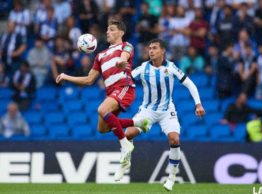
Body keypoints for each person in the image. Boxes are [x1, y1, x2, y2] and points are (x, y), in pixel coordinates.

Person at [113, 39, 206, 191]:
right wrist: (119, 70)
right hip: (147, 112)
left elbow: (189, 83)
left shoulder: (171, 67)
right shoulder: (143, 68)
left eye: (155, 48)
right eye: (149, 48)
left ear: (163, 51)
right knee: (128, 134)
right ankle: (125, 163)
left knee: (174, 138)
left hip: (166, 112)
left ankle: (171, 177)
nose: (151, 51)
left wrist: (198, 103)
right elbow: (126, 77)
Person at [56, 19, 148, 165]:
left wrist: (121, 61)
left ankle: (125, 143)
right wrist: (66, 76)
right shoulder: (100, 55)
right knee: (103, 128)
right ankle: (139, 122)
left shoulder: (126, 46)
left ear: (121, 33)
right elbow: (89, 80)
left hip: (124, 88)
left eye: (111, 29)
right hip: (111, 93)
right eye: (107, 29)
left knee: (102, 109)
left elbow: (124, 56)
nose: (107, 32)